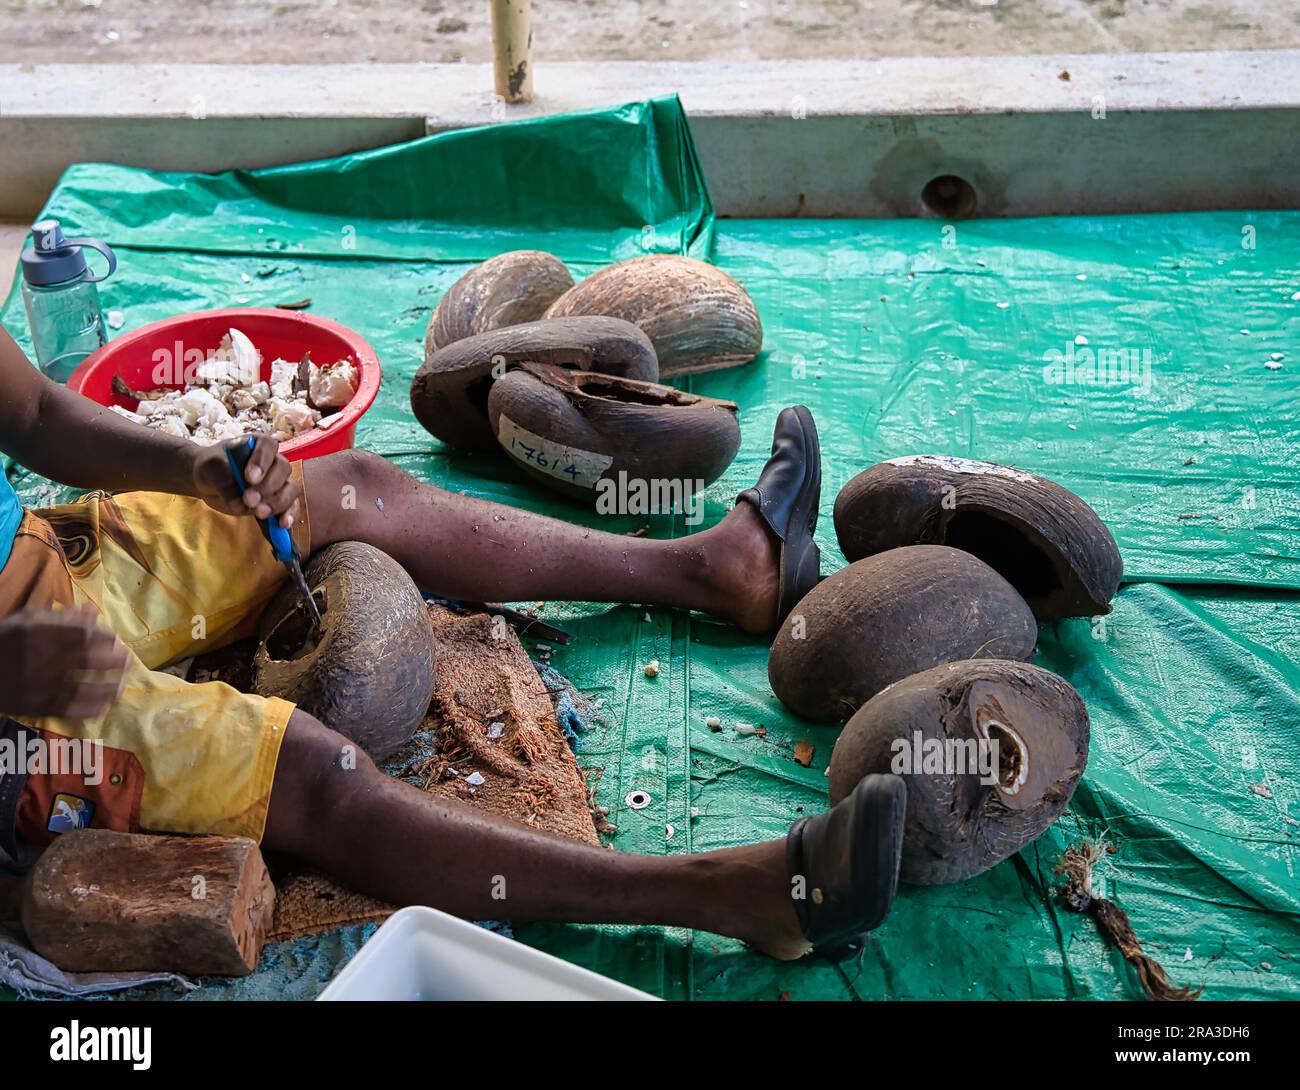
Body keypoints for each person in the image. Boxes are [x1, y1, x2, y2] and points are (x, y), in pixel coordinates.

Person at [0, 323, 904, 960]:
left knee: (349, 487)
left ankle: (718, 570)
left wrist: (192, 466)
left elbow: (35, 414)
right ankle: (730, 896)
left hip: (36, 565)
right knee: (321, 776)